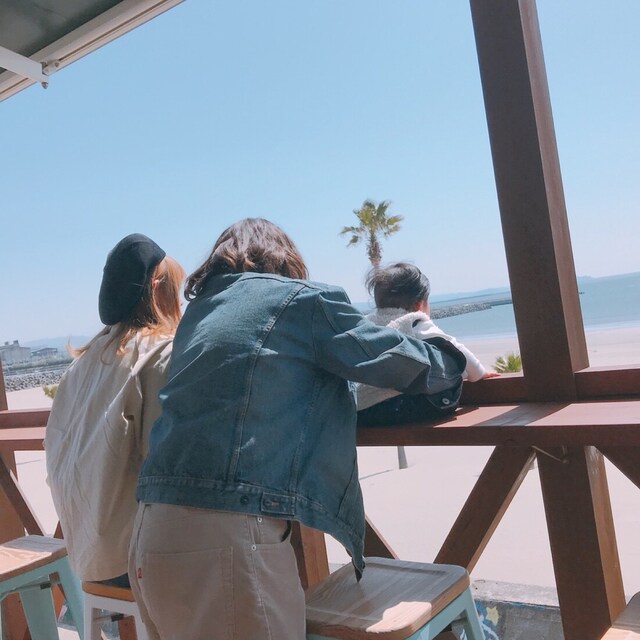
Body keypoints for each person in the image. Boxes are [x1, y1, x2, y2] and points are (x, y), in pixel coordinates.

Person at [129, 218, 466, 640]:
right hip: (225, 537)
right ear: (285, 258)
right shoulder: (300, 302)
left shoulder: (200, 313)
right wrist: (453, 362)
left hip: (150, 528)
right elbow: (392, 358)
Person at [45, 233, 184, 586]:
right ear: (158, 288)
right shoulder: (160, 354)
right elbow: (171, 466)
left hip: (87, 557)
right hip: (134, 563)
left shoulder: (81, 364)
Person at [356, 262, 499, 425]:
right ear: (418, 305)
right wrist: (479, 373)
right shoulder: (414, 322)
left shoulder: (369, 325)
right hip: (403, 408)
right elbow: (456, 349)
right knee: (446, 360)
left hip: (365, 411)